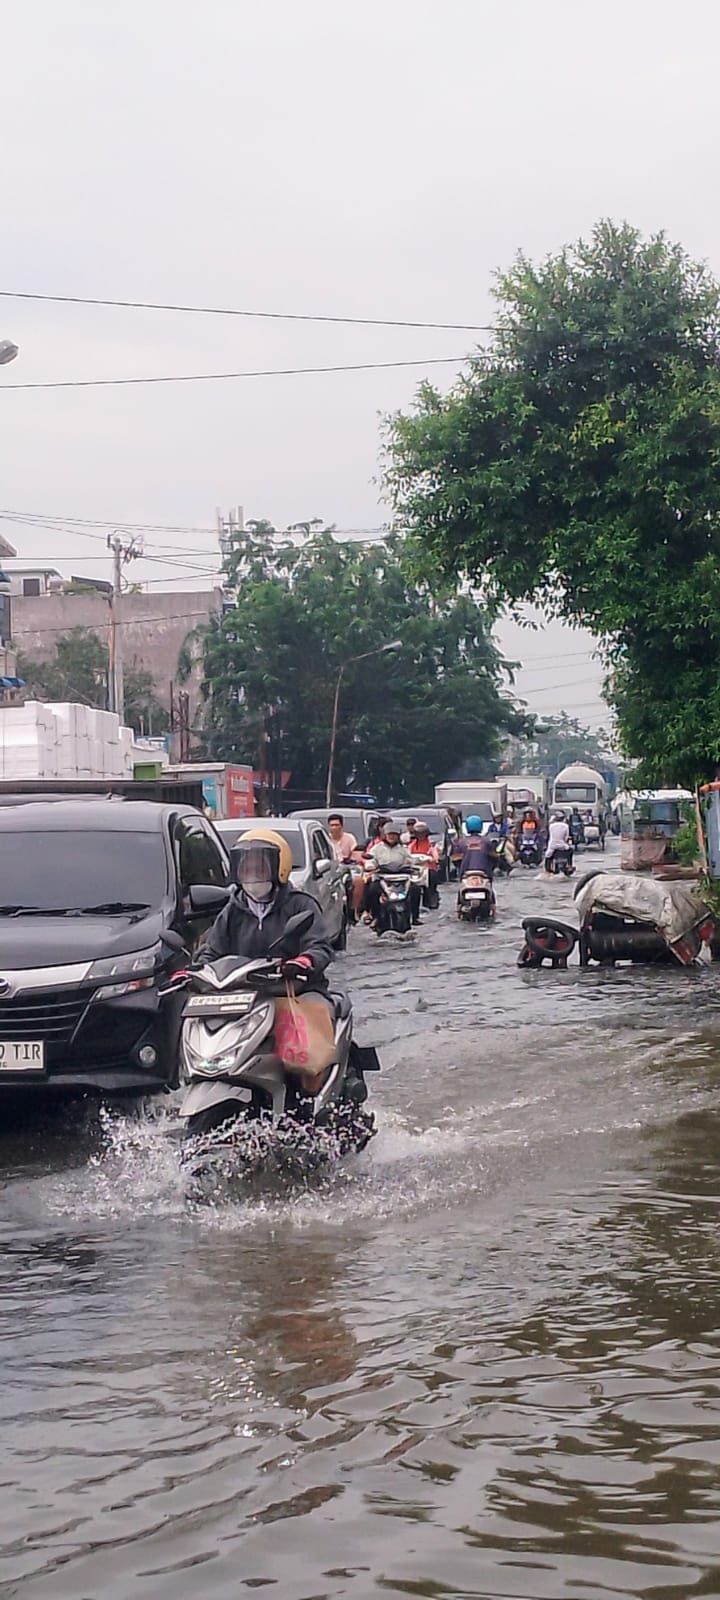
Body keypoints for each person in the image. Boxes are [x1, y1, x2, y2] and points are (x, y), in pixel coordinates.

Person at [204, 826, 333, 990]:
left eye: (260, 869)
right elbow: (212, 951)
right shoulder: (232, 909)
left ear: (280, 868)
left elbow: (320, 947)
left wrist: (304, 961)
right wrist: (195, 970)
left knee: (316, 1005)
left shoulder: (301, 904)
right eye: (246, 870)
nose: (252, 876)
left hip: (297, 988)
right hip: (244, 991)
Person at [363, 822, 415, 924]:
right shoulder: (377, 848)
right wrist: (370, 866)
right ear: (385, 835)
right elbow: (370, 859)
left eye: (394, 834)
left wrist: (412, 864)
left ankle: (415, 916)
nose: (392, 837)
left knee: (415, 889)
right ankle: (374, 915)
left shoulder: (403, 849)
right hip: (382, 878)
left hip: (402, 878)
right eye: (390, 834)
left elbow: (411, 859)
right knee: (372, 890)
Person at [408, 821, 440, 909]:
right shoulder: (412, 845)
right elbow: (407, 855)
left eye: (422, 833)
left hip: (428, 868)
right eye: (418, 833)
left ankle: (432, 896)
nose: (420, 835)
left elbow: (435, 856)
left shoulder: (431, 845)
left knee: (432, 875)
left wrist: (432, 859)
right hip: (416, 868)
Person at [456, 815, 500, 879]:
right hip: (484, 873)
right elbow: (495, 858)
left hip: (466, 874)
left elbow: (456, 860)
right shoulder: (486, 842)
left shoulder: (461, 843)